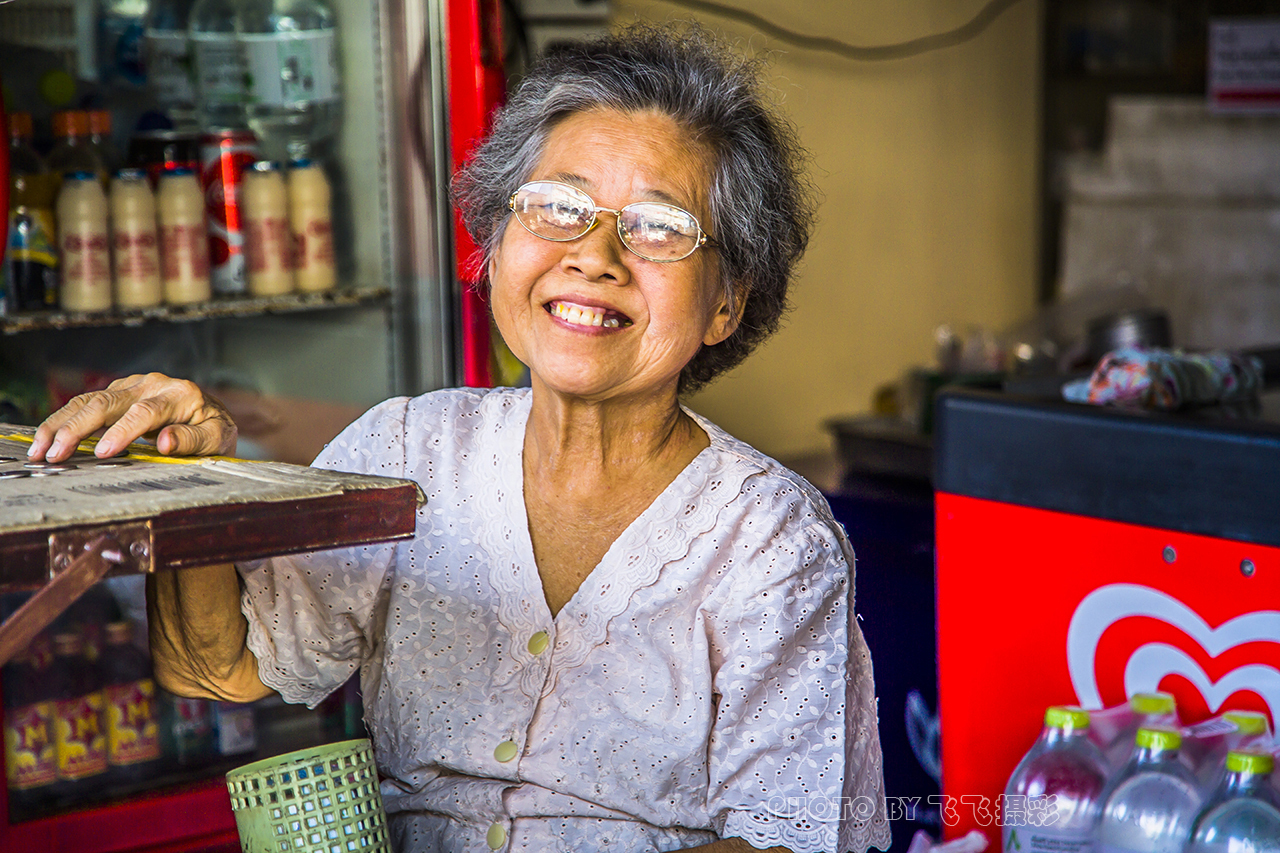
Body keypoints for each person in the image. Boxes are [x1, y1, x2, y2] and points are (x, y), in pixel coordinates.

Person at [29, 24, 889, 853]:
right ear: (499, 238)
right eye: (558, 207)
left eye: (658, 226)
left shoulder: (771, 537)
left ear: (727, 301)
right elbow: (219, 670)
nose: (595, 256)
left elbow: (785, 840)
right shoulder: (407, 449)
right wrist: (190, 479)